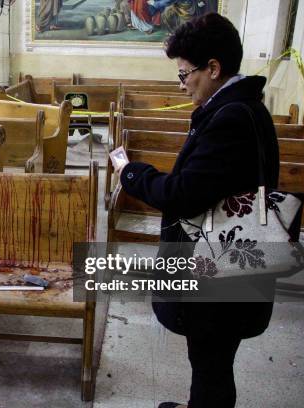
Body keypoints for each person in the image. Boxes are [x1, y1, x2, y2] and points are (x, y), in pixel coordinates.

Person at [116, 13, 278, 408]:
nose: (183, 83)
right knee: (212, 358)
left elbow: (183, 194)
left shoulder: (230, 118)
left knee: (212, 361)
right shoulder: (247, 108)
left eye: (186, 73)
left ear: (214, 68)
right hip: (236, 258)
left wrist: (131, 173)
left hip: (219, 268)